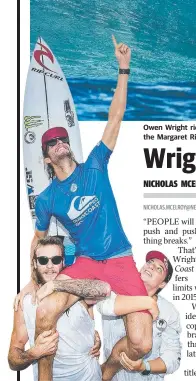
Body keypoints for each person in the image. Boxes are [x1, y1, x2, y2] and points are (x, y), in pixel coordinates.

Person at [18, 36, 154, 381]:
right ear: (47, 157)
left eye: (63, 137)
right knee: (44, 311)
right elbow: (38, 239)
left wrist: (123, 67)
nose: (60, 142)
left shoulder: (94, 164)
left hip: (121, 259)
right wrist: (32, 281)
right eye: (52, 142)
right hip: (87, 264)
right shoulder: (48, 198)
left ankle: (106, 369)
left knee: (140, 344)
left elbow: (116, 116)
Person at [9, 237, 159, 381]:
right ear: (34, 263)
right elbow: (13, 360)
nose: (49, 266)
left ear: (63, 262)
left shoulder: (78, 292)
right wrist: (34, 353)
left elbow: (104, 289)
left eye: (55, 260)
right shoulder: (25, 302)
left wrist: (56, 285)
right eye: (43, 260)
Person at [97, 250, 182, 380]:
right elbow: (104, 306)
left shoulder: (169, 311)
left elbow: (172, 356)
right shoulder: (116, 292)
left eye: (159, 269)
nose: (151, 266)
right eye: (150, 262)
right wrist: (147, 303)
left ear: (162, 284)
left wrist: (144, 366)